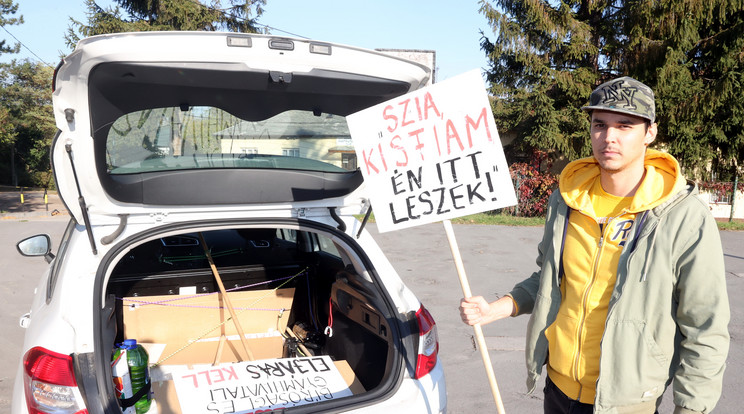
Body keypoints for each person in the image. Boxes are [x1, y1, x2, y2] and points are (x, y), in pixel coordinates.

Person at [459, 76, 730, 414]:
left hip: (626, 403)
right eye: (599, 124)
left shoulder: (682, 216)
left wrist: (691, 409)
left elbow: (705, 326)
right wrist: (497, 309)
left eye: (624, 125)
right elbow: (549, 278)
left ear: (650, 133)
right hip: (558, 389)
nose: (609, 137)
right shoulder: (568, 200)